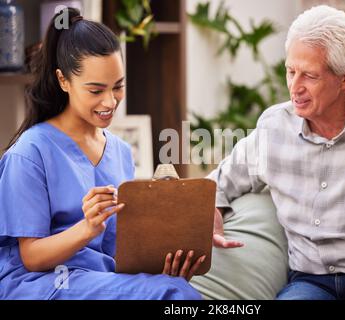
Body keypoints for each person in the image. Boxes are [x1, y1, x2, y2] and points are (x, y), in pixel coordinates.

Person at [209, 5, 345, 300]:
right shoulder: (274, 127)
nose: (294, 87)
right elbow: (218, 183)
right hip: (312, 283)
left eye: (309, 75)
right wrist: (211, 211)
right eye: (290, 71)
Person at [0, 8, 203, 300]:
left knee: (173, 286)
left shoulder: (120, 151)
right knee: (172, 294)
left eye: (118, 87)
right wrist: (87, 228)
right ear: (63, 80)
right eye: (95, 90)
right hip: (40, 281)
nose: (110, 101)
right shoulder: (30, 153)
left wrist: (160, 265)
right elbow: (31, 256)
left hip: (99, 278)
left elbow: (119, 252)